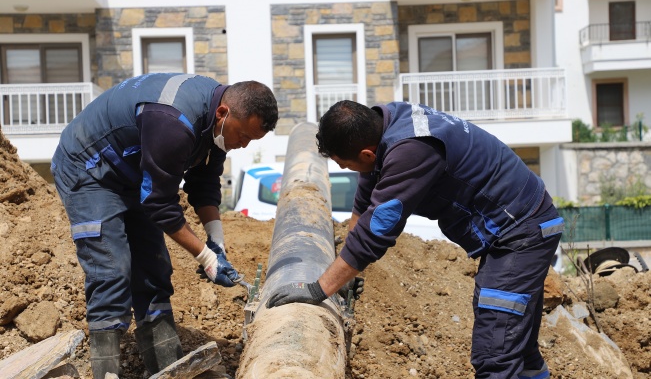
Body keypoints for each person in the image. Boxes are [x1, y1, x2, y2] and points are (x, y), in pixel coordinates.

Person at [266, 100, 564, 379]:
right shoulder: (384, 123)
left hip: (522, 231)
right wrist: (341, 273)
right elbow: (365, 202)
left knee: (495, 352)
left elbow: (377, 230)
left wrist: (320, 289)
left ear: (367, 154)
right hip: (518, 224)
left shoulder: (412, 150)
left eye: (345, 165)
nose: (346, 170)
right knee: (519, 347)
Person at [50, 73, 278, 378]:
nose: (243, 144)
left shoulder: (218, 124)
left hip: (133, 174)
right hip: (89, 169)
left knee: (153, 268)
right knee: (112, 268)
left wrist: (216, 240)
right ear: (223, 113)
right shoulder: (173, 120)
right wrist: (206, 258)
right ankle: (107, 371)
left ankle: (168, 367)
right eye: (244, 136)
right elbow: (159, 203)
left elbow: (205, 182)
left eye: (252, 140)